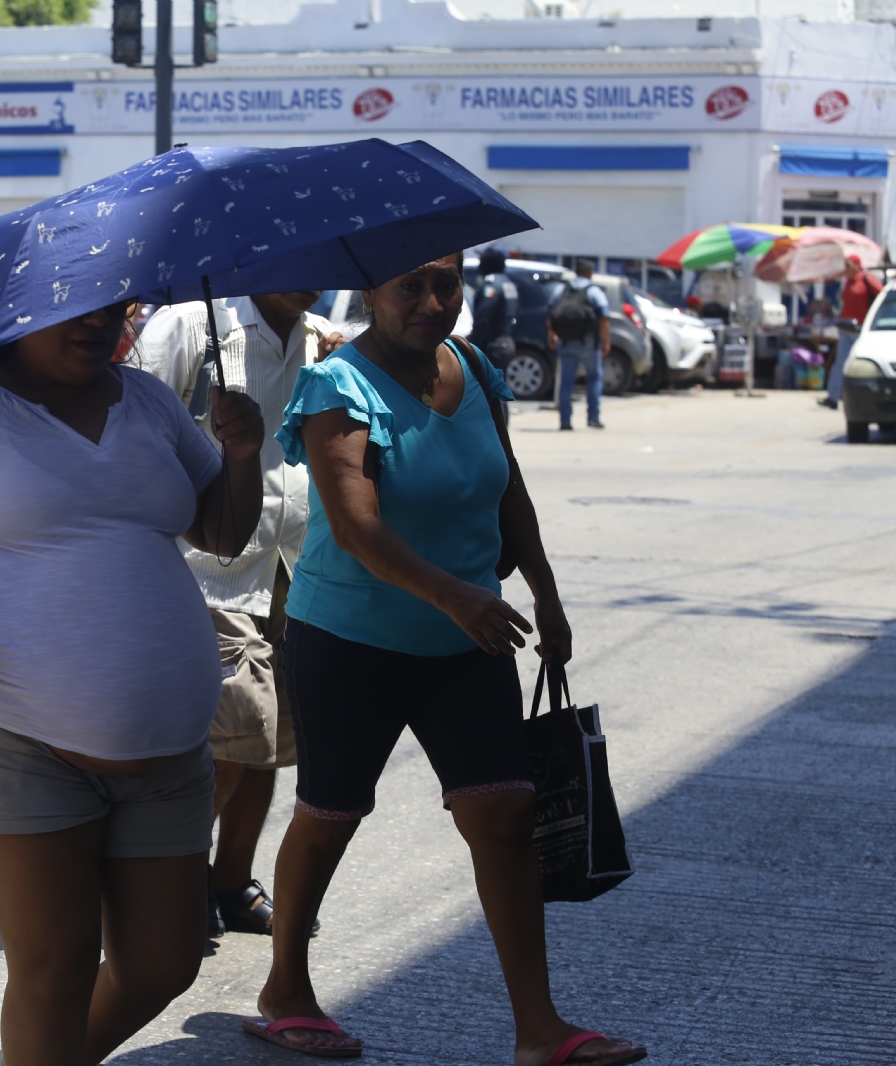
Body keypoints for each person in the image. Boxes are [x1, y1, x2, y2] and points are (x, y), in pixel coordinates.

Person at [243, 253, 646, 1066]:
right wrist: (457, 596)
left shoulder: (472, 365)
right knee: (331, 815)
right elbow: (356, 526)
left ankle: (540, 1030)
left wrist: (547, 593)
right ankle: (286, 987)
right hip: (351, 639)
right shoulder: (337, 386)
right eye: (411, 287)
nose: (433, 302)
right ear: (370, 294)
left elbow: (508, 489)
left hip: (469, 637)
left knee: (503, 817)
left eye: (447, 285)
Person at [0, 298, 265, 1065]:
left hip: (170, 752)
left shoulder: (146, 400)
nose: (97, 324)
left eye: (112, 308)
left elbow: (219, 532)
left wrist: (242, 455)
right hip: (13, 735)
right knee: (55, 971)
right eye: (70, 309)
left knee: (164, 963)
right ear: (12, 313)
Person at [132, 291, 341, 940]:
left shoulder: (323, 341)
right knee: (232, 735)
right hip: (211, 572)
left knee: (272, 743)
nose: (306, 277)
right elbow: (132, 426)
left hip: (298, 566)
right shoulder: (194, 326)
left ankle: (232, 881)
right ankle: (175, 882)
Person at [546, 261, 610, 431]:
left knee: (566, 381)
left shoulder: (561, 290)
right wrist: (607, 341)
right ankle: (593, 418)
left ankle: (565, 421)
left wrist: (551, 335)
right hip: (588, 342)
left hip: (566, 341)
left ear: (575, 272)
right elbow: (604, 317)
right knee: (593, 378)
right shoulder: (594, 291)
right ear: (591, 272)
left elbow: (550, 313)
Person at [820, 254, 884, 411]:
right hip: (846, 329)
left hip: (863, 331)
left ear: (857, 265)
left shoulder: (866, 280)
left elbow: (883, 297)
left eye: (849, 265)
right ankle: (833, 397)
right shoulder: (845, 283)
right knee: (840, 363)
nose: (846, 268)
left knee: (864, 363)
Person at [471, 247, 520, 365]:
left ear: (491, 262)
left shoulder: (492, 285)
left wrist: (473, 347)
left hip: (493, 345)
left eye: (483, 259)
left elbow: (483, 318)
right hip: (507, 342)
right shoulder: (507, 282)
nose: (480, 263)